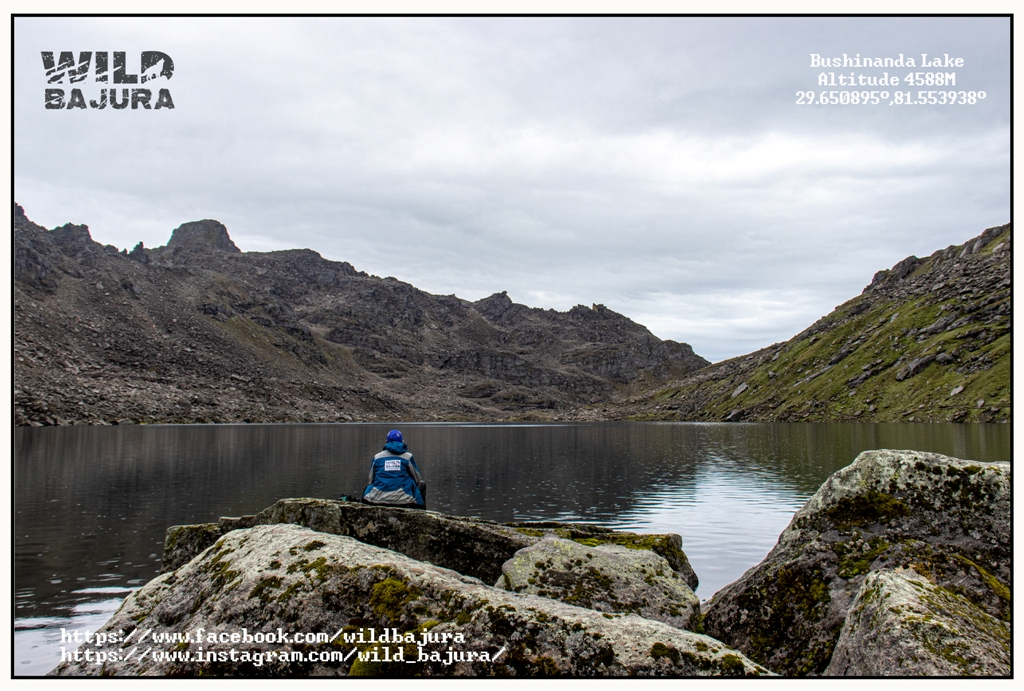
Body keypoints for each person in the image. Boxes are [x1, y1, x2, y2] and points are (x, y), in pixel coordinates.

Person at [362, 429, 426, 509]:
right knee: (422, 484)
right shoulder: (408, 457)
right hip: (404, 499)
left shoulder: (377, 457)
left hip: (378, 498)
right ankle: (422, 514)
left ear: (386, 442)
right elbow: (417, 479)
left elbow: (371, 480)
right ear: (402, 441)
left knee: (368, 488)